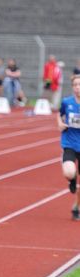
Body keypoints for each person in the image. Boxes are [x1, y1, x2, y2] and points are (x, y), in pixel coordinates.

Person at [57, 74, 80, 221]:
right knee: (70, 173)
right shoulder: (67, 102)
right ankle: (72, 179)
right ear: (72, 87)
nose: (78, 88)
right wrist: (59, 123)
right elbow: (60, 115)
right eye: (75, 85)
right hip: (70, 143)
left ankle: (76, 207)